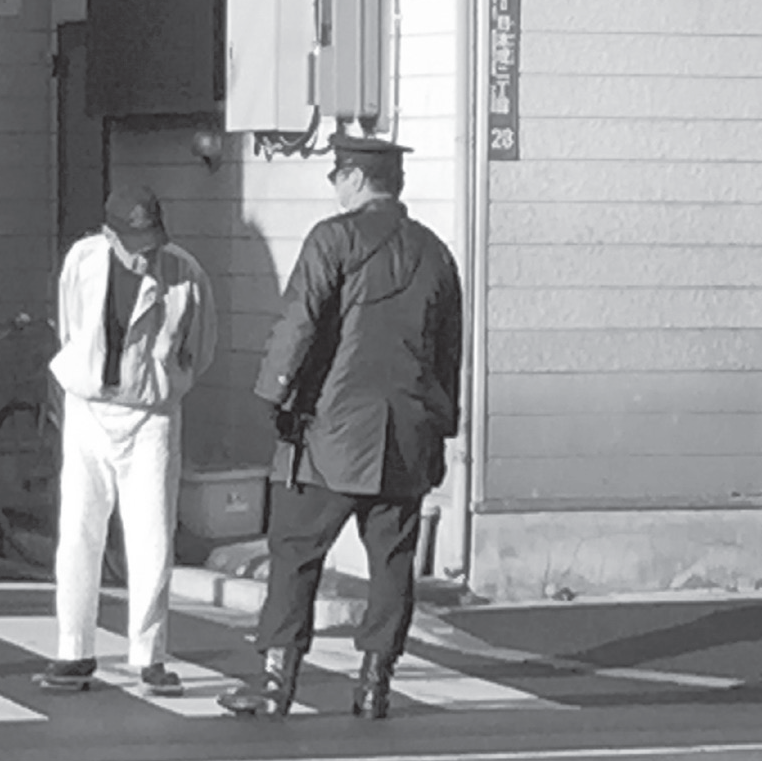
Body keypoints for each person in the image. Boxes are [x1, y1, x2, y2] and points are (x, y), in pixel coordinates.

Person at [218, 134, 463, 719]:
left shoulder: (334, 239)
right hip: (407, 434)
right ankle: (376, 680)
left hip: (330, 433)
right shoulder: (435, 253)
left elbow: (298, 323)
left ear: (354, 179)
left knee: (296, 552)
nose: (333, 185)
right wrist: (441, 426)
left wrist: (273, 395)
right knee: (393, 562)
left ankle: (277, 681)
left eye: (336, 175)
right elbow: (449, 352)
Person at [35, 185, 217, 697]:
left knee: (152, 533)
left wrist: (168, 386)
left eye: (151, 242)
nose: (144, 254)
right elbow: (70, 327)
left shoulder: (184, 273)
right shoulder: (83, 261)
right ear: (109, 235)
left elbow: (200, 349)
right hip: (89, 407)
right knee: (78, 529)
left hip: (151, 415)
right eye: (133, 242)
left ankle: (150, 654)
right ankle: (73, 650)